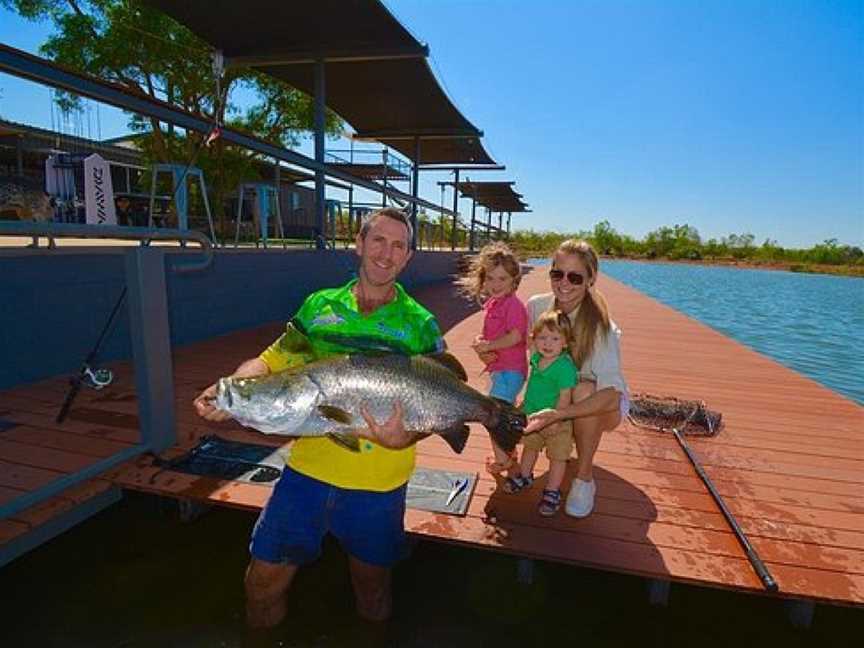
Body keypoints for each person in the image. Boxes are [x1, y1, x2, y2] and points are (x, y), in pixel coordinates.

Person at [193, 207, 444, 628]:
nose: (387, 253)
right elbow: (271, 360)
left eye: (399, 245)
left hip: (378, 484)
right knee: (262, 584)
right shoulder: (318, 306)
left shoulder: (422, 324)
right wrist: (230, 387)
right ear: (359, 245)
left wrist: (406, 437)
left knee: (372, 590)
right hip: (306, 475)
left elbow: (434, 399)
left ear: (408, 258)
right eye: (378, 240)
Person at [523, 239, 630, 518]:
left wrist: (561, 413)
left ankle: (584, 478)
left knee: (584, 390)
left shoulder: (603, 329)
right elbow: (525, 359)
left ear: (591, 279)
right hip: (555, 394)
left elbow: (612, 395)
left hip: (599, 404)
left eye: (575, 277)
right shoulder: (537, 307)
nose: (564, 284)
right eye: (557, 274)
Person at [458, 241, 529, 480]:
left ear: (514, 281)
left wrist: (489, 346)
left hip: (510, 372)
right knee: (501, 414)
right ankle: (508, 454)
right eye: (490, 278)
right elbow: (495, 334)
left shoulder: (514, 306)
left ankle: (504, 460)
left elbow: (516, 336)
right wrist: (482, 341)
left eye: (502, 279)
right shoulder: (494, 303)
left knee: (494, 416)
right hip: (500, 370)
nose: (495, 284)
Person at [503, 311, 578, 516]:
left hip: (557, 421)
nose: (548, 343)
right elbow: (534, 385)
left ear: (565, 343)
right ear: (535, 340)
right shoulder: (536, 358)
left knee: (557, 457)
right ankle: (525, 476)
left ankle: (552, 491)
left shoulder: (564, 367)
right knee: (530, 446)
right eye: (542, 337)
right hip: (533, 414)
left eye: (555, 338)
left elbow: (565, 396)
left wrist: (556, 417)